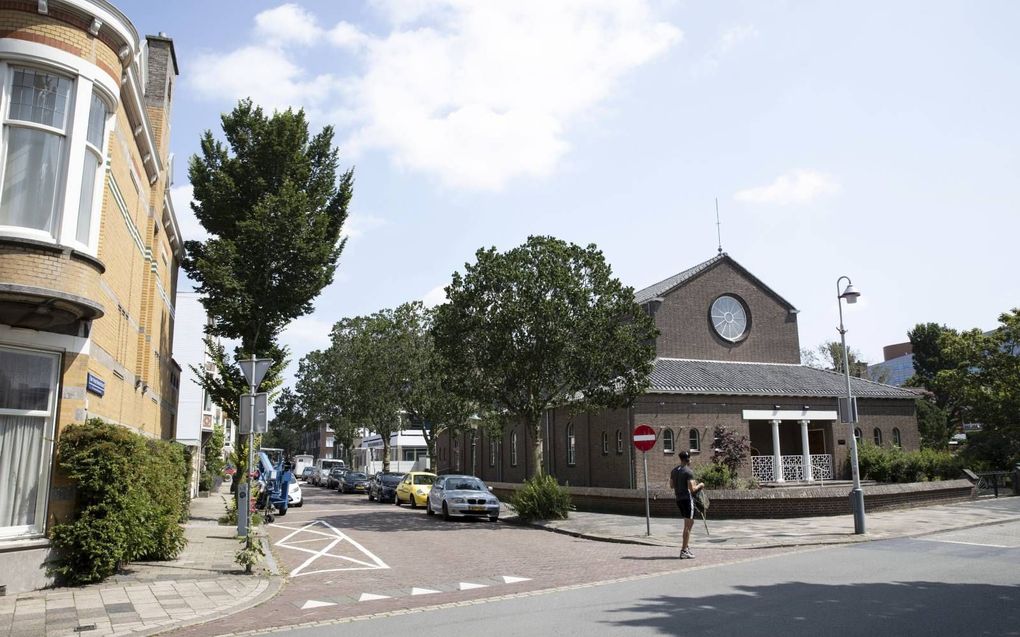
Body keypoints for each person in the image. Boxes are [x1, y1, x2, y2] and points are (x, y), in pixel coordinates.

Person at [669, 450, 704, 559]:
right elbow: (693, 489)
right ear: (688, 459)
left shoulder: (674, 471)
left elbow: (671, 486)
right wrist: (701, 485)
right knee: (688, 526)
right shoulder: (688, 472)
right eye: (690, 458)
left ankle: (686, 546)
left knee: (687, 525)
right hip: (687, 500)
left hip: (679, 499)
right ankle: (684, 551)